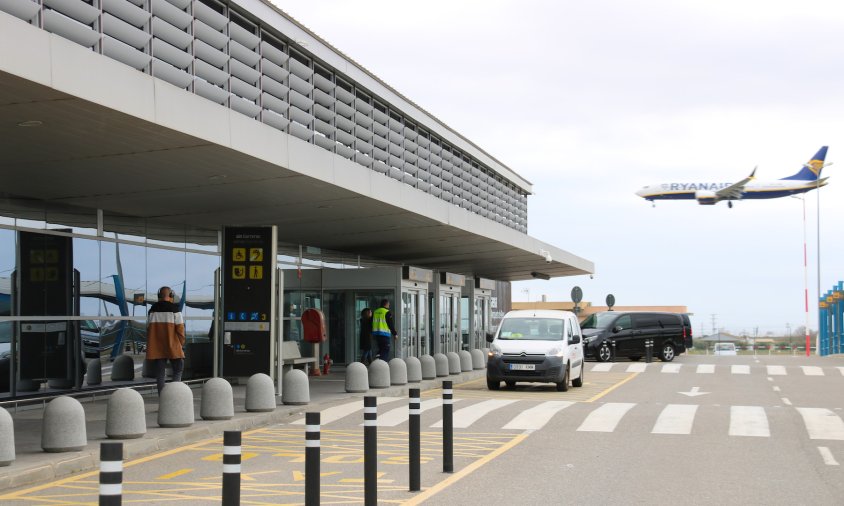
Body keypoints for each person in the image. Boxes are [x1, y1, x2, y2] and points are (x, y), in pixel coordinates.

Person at [146, 286, 186, 395]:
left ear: (159, 296)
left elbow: (148, 328)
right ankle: (174, 395)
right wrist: (181, 344)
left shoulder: (152, 310)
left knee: (160, 374)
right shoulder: (175, 309)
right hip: (173, 345)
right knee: (178, 369)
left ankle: (163, 399)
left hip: (158, 347)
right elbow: (180, 329)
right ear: (171, 296)